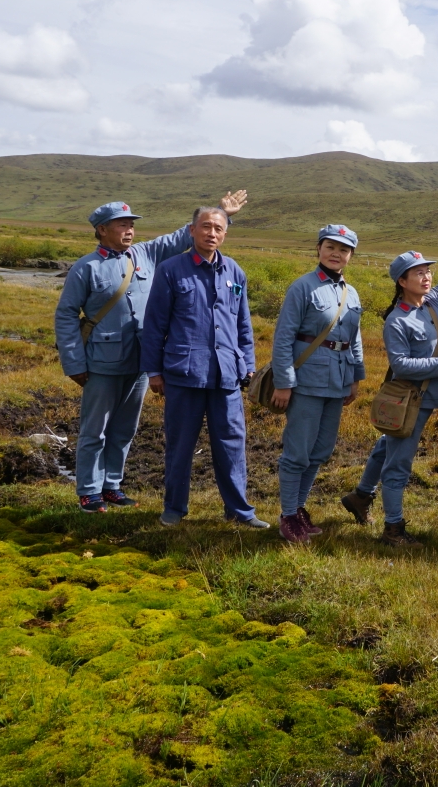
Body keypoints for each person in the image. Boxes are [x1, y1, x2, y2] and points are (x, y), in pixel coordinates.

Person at [55, 191, 248, 513]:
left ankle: (112, 486)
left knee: (125, 429)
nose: (129, 231)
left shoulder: (144, 254)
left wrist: (225, 213)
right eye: (121, 226)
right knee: (95, 429)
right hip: (101, 362)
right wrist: (73, 362)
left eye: (131, 225)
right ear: (102, 230)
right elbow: (65, 316)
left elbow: (186, 234)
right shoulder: (85, 268)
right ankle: (89, 491)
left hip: (142, 361)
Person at [341, 219, 438, 545]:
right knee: (398, 465)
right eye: (418, 273)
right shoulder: (397, 320)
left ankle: (361, 496)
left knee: (388, 447)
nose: (426, 277)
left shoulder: (434, 302)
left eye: (427, 271)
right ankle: (393, 530)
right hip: (410, 400)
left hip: (433, 396)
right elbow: (401, 365)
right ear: (402, 281)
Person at [140, 206, 265, 528]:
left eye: (219, 229)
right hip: (184, 373)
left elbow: (243, 324)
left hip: (227, 375)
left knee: (232, 444)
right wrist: (153, 371)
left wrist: (248, 365)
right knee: (180, 445)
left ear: (225, 234)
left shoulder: (235, 272)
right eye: (206, 227)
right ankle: (174, 508)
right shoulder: (171, 269)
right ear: (192, 230)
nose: (212, 234)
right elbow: (154, 324)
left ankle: (239, 511)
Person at [268, 225, 364, 543]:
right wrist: (283, 382)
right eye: (330, 247)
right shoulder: (303, 287)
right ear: (319, 249)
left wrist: (355, 379)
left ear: (350, 255)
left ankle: (299, 508)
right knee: (297, 453)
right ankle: (288, 515)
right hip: (306, 381)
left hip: (336, 382)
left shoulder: (351, 293)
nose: (336, 254)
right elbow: (283, 338)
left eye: (344, 249)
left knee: (320, 452)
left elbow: (355, 340)